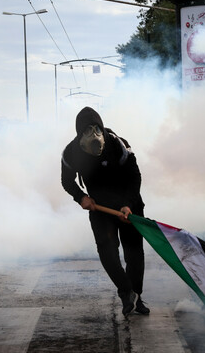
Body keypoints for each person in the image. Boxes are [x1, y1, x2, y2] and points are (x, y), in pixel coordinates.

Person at [61, 107, 149, 317]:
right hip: (100, 208)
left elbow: (135, 176)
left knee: (134, 253)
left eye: (97, 129)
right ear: (79, 134)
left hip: (129, 206)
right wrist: (81, 197)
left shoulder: (118, 144)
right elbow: (67, 181)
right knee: (107, 251)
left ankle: (136, 295)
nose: (94, 135)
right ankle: (126, 291)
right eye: (88, 130)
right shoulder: (71, 153)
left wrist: (128, 204)